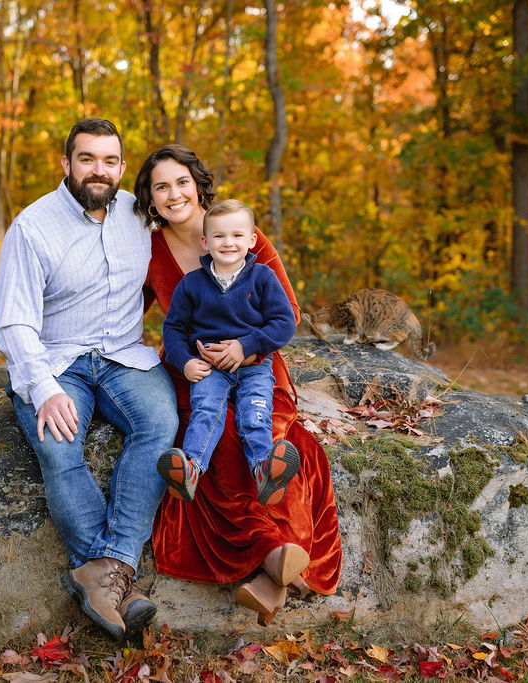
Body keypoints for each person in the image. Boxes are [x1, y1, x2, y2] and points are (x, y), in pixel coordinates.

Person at [134, 144, 342, 624]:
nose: (173, 194)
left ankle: (275, 572)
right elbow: (127, 314)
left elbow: (285, 314)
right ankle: (276, 557)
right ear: (149, 196)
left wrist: (243, 349)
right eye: (161, 186)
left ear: (198, 184)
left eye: (181, 182)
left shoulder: (244, 236)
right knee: (218, 437)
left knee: (279, 442)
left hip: (256, 366)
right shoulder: (148, 250)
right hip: (197, 375)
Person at [0, 118, 178, 642]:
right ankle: (114, 573)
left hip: (123, 355)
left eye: (110, 160)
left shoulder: (138, 215)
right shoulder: (32, 227)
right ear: (66, 163)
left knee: (161, 425)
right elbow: (14, 323)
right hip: (55, 360)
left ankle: (105, 571)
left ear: (122, 166)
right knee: (59, 445)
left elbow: (199, 232)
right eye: (87, 159)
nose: (100, 170)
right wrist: (44, 389)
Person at [158, 199, 300, 508]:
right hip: (210, 368)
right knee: (207, 411)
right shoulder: (191, 284)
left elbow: (284, 322)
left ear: (252, 240)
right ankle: (190, 470)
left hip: (254, 366)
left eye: (237, 235)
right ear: (205, 242)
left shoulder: (262, 278)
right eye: (220, 236)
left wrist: (246, 345)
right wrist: (185, 363)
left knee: (255, 412)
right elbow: (173, 329)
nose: (228, 243)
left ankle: (265, 470)